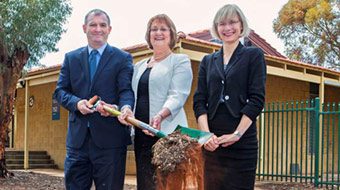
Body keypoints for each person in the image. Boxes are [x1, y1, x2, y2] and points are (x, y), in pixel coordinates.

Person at [54, 9, 134, 190]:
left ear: (109, 29)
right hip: (78, 144)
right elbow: (60, 91)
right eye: (93, 25)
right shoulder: (71, 58)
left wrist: (125, 107)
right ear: (84, 28)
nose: (98, 29)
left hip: (111, 143)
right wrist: (76, 103)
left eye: (102, 25)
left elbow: (126, 91)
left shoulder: (122, 58)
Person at [193, 4, 266, 190]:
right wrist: (205, 135)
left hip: (242, 143)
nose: (227, 28)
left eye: (232, 22)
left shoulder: (254, 55)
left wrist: (237, 134)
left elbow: (257, 99)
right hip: (213, 145)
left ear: (241, 25)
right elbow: (199, 101)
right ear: (216, 28)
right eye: (222, 23)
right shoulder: (207, 61)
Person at [131, 14, 193, 190]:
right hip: (142, 135)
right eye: (154, 29)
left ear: (171, 34)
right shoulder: (139, 66)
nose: (158, 32)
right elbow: (132, 96)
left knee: (167, 185)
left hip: (167, 135)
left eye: (163, 29)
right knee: (145, 184)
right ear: (148, 35)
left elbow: (178, 95)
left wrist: (160, 115)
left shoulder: (179, 61)